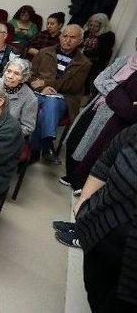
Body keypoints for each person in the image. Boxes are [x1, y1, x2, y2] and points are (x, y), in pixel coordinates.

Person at [54, 125, 137, 312]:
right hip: (100, 234)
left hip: (131, 264)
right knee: (95, 292)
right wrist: (84, 203)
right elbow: (106, 161)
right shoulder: (133, 132)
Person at [61, 38, 137, 191]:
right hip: (98, 103)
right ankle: (72, 174)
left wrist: (114, 91)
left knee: (93, 147)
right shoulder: (125, 60)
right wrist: (116, 91)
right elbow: (100, 79)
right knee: (76, 137)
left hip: (113, 113)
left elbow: (128, 104)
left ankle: (80, 181)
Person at [29, 24, 91, 163]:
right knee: (45, 109)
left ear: (80, 41)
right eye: (65, 36)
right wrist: (41, 88)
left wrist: (45, 84)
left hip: (65, 99)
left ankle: (33, 150)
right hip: (38, 94)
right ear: (60, 36)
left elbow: (73, 86)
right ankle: (46, 144)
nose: (67, 40)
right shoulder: (44, 52)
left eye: (72, 37)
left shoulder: (84, 63)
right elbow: (30, 75)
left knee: (51, 102)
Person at [0, 58, 37, 137]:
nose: (10, 76)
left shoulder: (30, 98)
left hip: (7, 136)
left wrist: (7, 134)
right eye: (8, 71)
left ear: (24, 78)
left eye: (16, 74)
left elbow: (28, 127)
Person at [82, 13, 115, 90]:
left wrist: (84, 53)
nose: (92, 28)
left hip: (96, 63)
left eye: (96, 26)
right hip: (83, 58)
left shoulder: (108, 36)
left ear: (102, 26)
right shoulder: (87, 32)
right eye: (91, 25)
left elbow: (101, 51)